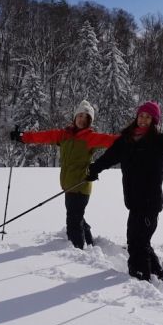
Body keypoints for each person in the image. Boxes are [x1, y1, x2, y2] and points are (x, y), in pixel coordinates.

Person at [85, 101, 163, 281]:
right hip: (133, 203)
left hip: (149, 204)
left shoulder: (158, 142)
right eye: (141, 116)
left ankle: (140, 278)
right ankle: (157, 274)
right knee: (139, 242)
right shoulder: (126, 141)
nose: (143, 120)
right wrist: (94, 169)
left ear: (154, 121)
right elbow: (109, 157)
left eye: (148, 117)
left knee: (137, 243)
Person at [10, 100, 118, 249]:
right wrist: (22, 137)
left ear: (89, 121)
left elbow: (112, 140)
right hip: (68, 185)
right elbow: (43, 136)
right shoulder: (64, 135)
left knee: (73, 220)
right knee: (76, 215)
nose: (82, 119)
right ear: (75, 118)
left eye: (86, 117)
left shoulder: (90, 137)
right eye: (80, 115)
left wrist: (134, 139)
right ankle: (89, 241)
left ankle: (77, 250)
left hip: (81, 185)